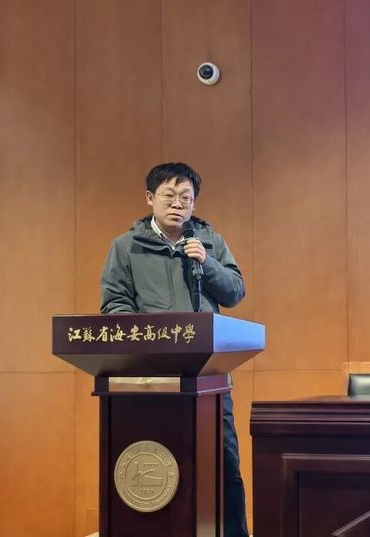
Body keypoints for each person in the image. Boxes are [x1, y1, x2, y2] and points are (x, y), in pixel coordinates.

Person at [100, 162, 249, 537]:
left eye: (186, 197)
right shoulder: (126, 247)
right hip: (151, 378)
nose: (178, 204)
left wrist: (207, 263)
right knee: (161, 462)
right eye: (169, 196)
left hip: (209, 377)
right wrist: (148, 342)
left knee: (224, 462)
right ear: (150, 198)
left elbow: (235, 291)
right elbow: (114, 305)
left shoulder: (209, 241)